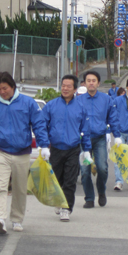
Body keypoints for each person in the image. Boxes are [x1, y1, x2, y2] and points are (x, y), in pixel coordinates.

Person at [0, 72, 50, 235]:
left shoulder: (28, 103)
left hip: (22, 151)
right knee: (0, 185)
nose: (2, 92)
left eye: (4, 88)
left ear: (12, 86)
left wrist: (43, 145)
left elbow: (39, 124)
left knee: (19, 187)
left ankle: (17, 218)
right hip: (1, 151)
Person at [42, 74, 91, 222]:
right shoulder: (51, 105)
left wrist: (87, 149)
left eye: (69, 86)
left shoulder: (81, 108)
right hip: (55, 148)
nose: (65, 88)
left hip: (73, 148)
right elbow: (41, 125)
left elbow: (85, 130)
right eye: (63, 85)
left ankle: (66, 208)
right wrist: (44, 145)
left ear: (75, 89)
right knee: (56, 179)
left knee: (70, 180)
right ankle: (58, 201)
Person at [78, 71, 121, 208]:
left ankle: (101, 191)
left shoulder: (106, 99)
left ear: (98, 83)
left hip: (99, 139)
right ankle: (89, 198)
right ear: (84, 83)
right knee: (85, 171)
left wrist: (117, 135)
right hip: (83, 141)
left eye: (94, 80)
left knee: (102, 168)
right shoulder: (78, 100)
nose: (91, 83)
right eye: (88, 80)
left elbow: (113, 119)